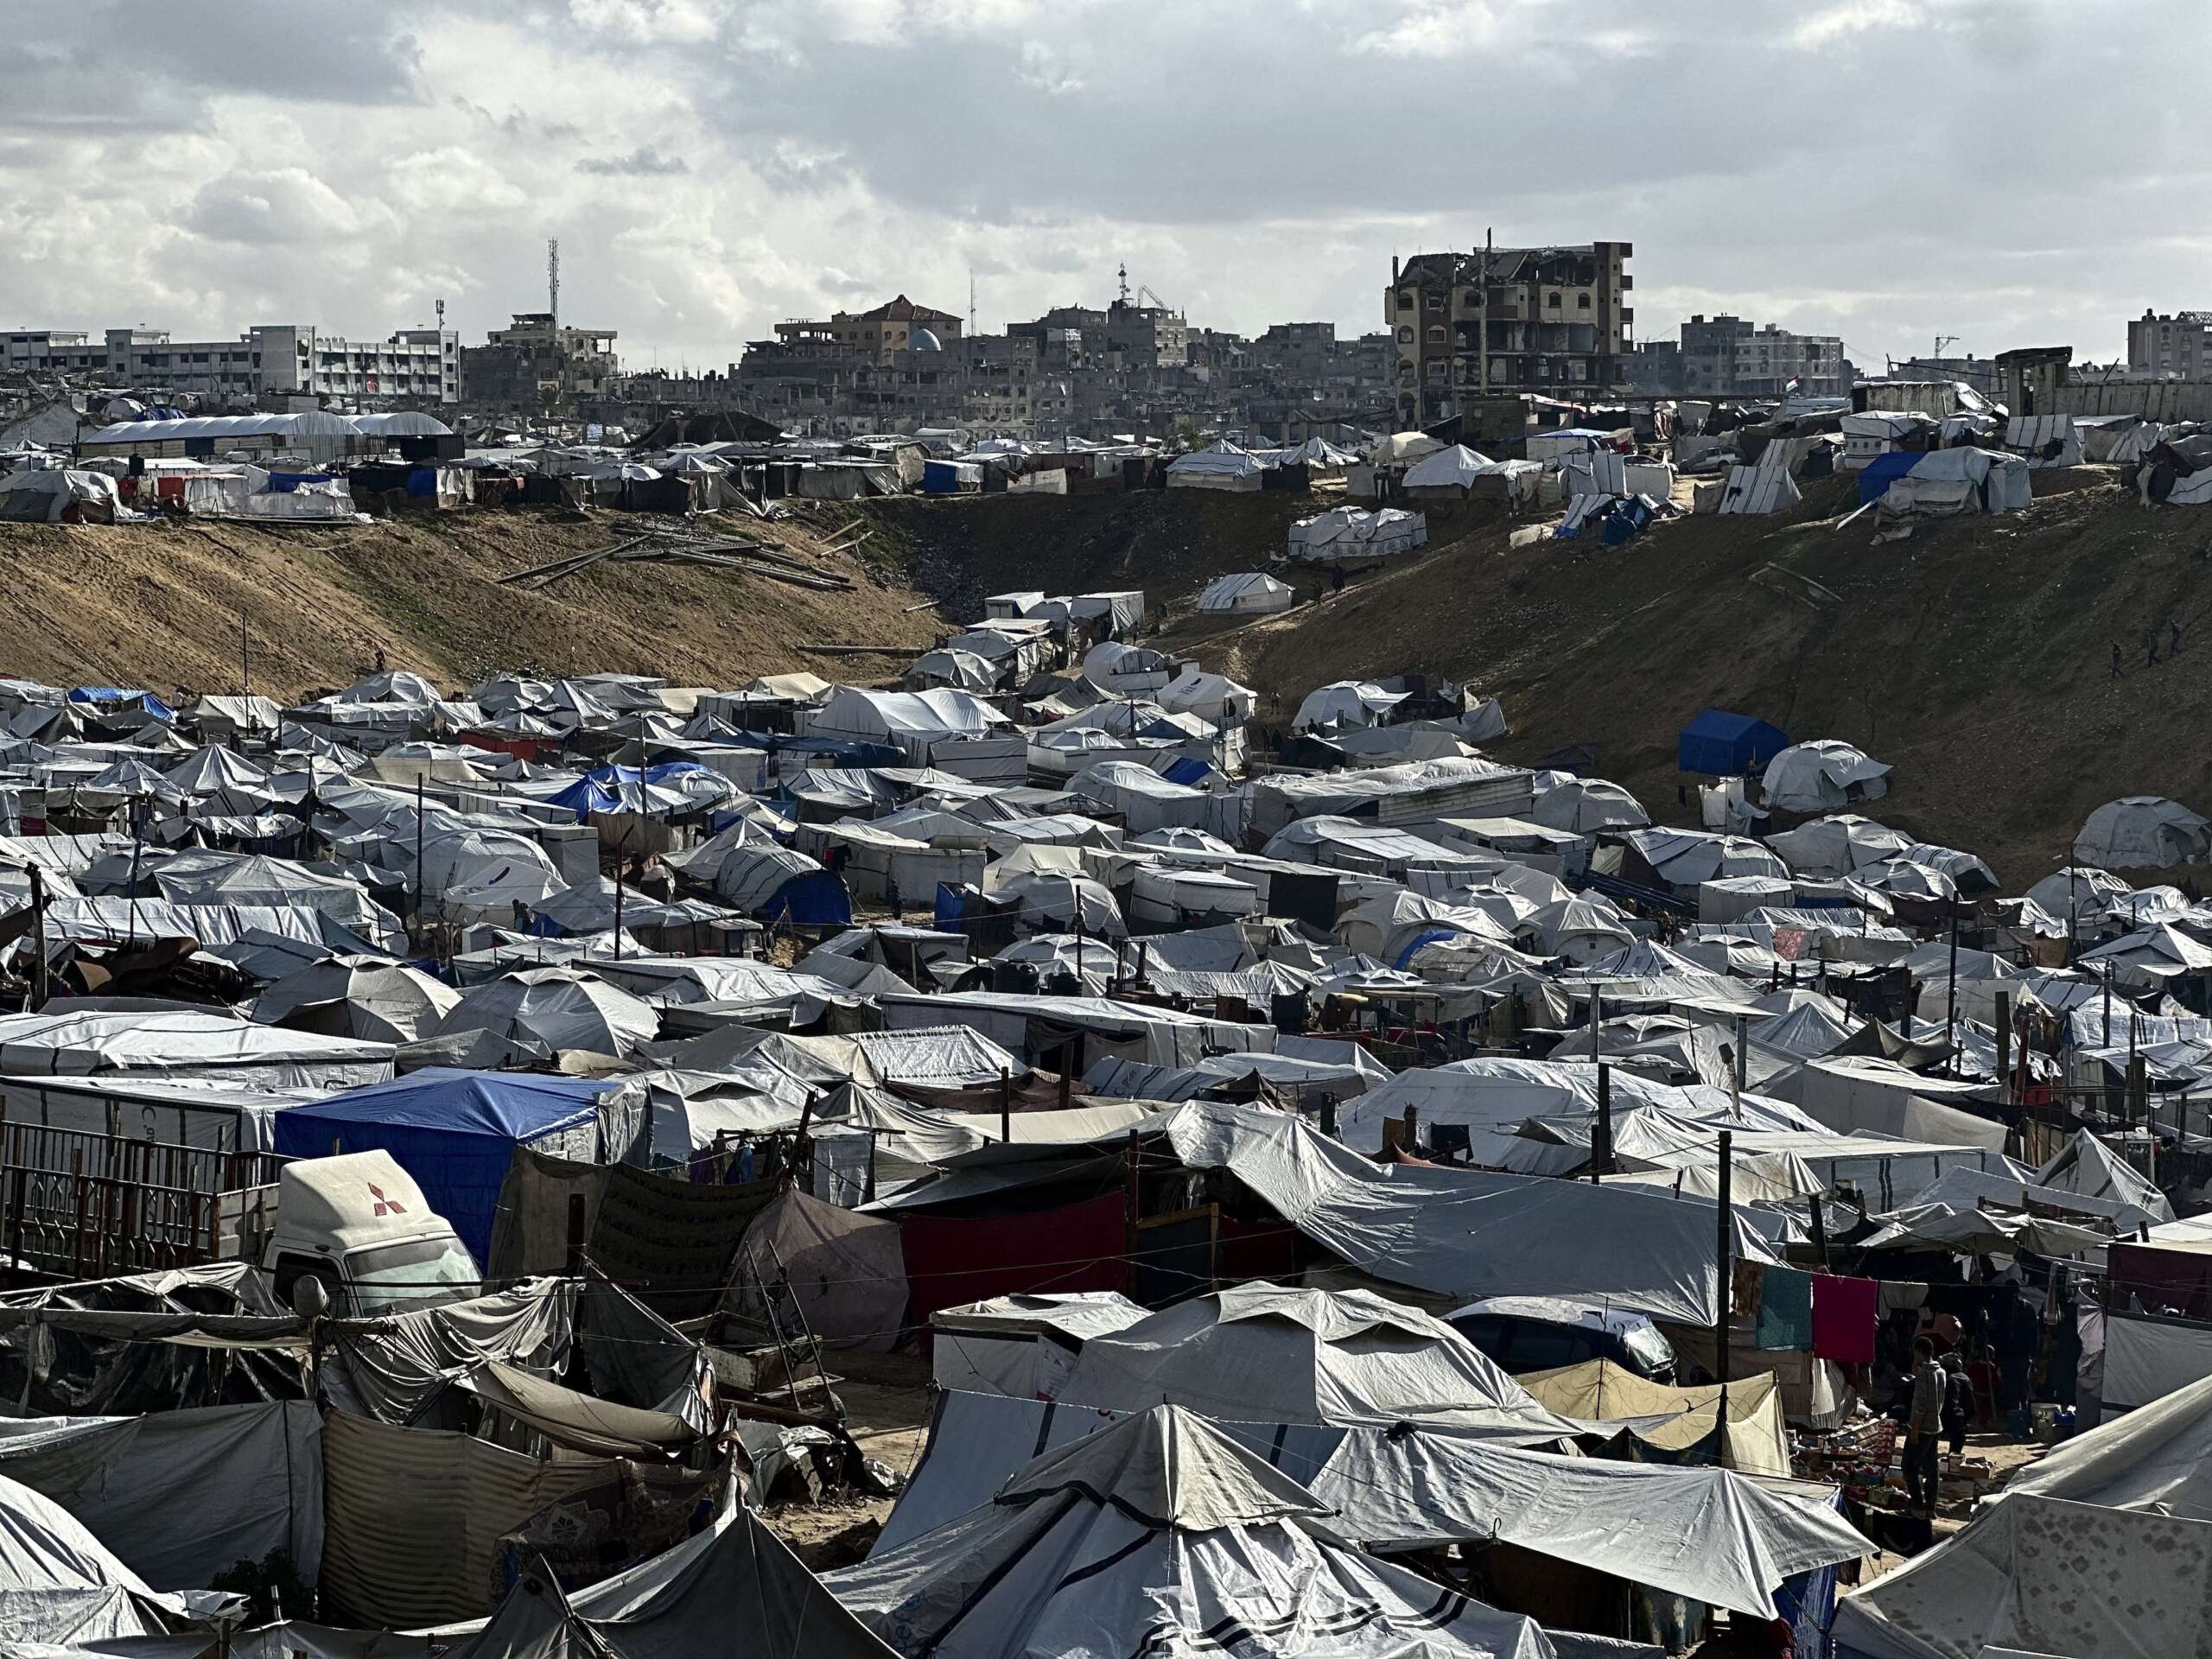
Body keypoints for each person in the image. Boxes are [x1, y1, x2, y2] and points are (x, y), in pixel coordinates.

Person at [1904, 1337, 1945, 1512]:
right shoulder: (1940, 1371)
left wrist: (1914, 1430)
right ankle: (1930, 1506)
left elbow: (1921, 1405)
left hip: (1922, 1427)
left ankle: (1917, 1503)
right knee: (1931, 1468)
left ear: (1919, 1351)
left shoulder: (1924, 1375)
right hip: (1936, 1425)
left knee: (1908, 1467)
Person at [1942, 1350, 1973, 1459]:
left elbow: (1951, 1402)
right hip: (1961, 1417)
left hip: (1954, 1416)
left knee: (1953, 1454)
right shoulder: (1964, 1378)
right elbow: (1970, 1404)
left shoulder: (1952, 1380)